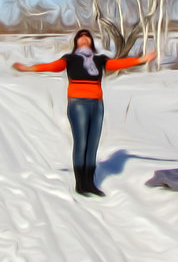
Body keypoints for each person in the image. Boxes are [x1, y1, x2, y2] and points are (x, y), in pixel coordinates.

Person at [14, 28, 156, 197]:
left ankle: (90, 183)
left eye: (87, 37)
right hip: (78, 103)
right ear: (76, 42)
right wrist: (28, 69)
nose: (84, 38)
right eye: (80, 37)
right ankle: (80, 184)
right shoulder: (70, 58)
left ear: (91, 42)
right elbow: (53, 66)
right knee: (81, 142)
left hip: (97, 104)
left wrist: (142, 59)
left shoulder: (99, 59)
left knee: (93, 144)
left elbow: (117, 64)